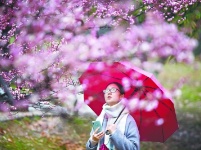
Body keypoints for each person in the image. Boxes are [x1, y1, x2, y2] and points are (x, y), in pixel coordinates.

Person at [86, 82, 140, 150]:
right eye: (107, 90)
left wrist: (115, 133)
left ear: (121, 96)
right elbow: (88, 148)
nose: (109, 92)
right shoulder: (100, 118)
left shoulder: (128, 120)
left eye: (113, 90)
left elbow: (134, 148)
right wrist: (93, 141)